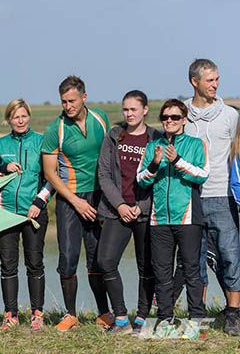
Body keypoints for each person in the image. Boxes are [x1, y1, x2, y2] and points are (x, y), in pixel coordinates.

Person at [41, 76, 112, 331]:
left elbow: (111, 156)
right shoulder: (54, 129)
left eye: (72, 100)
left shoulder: (101, 119)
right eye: (63, 102)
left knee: (98, 258)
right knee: (68, 257)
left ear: (84, 97)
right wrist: (75, 201)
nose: (68, 106)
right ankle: (70, 314)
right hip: (69, 199)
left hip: (98, 197)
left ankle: (104, 312)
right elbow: (50, 173)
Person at [137, 99, 209, 339]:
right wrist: (156, 163)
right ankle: (165, 319)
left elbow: (202, 175)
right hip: (159, 219)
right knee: (162, 272)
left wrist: (177, 161)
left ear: (184, 120)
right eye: (165, 117)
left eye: (175, 117)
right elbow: (141, 180)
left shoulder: (195, 144)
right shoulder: (152, 147)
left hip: (188, 217)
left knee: (191, 271)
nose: (169, 121)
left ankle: (196, 320)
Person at [181, 59, 240, 335]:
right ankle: (198, 315)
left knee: (230, 255)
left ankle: (234, 313)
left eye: (217, 79)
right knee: (193, 260)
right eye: (210, 80)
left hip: (221, 195)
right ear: (195, 81)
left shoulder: (230, 115)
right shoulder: (180, 114)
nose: (215, 85)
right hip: (189, 196)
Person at [96, 90, 160, 334]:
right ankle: (121, 317)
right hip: (116, 211)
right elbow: (103, 174)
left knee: (147, 266)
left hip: (145, 211)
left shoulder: (157, 137)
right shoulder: (114, 136)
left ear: (145, 110)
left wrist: (140, 207)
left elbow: (160, 178)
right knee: (106, 261)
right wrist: (121, 205)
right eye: (125, 109)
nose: (129, 113)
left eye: (134, 109)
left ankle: (142, 317)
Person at [0, 99, 52, 331]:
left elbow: (51, 178)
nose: (21, 120)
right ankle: (11, 314)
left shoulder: (41, 141)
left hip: (33, 212)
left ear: (29, 117)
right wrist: (4, 169)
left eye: (24, 116)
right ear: (9, 120)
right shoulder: (1, 145)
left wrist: (39, 202)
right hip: (6, 213)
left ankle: (37, 313)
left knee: (35, 263)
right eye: (16, 117)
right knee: (8, 265)